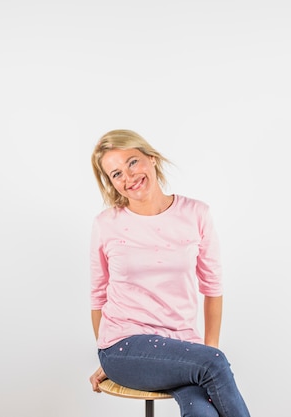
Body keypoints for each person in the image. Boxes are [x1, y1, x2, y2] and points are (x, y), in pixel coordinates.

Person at [88, 129, 251, 417]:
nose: (128, 177)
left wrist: (206, 353)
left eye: (132, 162)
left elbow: (212, 287)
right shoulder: (106, 224)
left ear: (151, 159)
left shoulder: (196, 214)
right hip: (124, 347)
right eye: (116, 174)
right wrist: (109, 354)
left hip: (183, 347)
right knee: (213, 364)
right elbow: (98, 297)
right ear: (110, 183)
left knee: (203, 412)